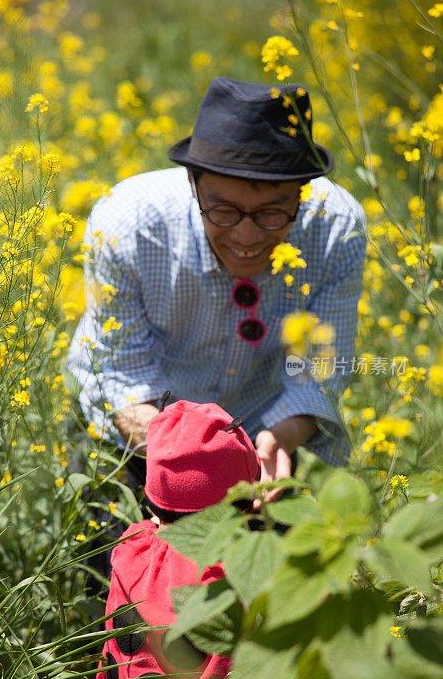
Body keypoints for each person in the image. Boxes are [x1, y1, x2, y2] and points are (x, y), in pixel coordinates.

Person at [67, 77, 367, 495]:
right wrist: (198, 466)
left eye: (271, 214)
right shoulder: (127, 226)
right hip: (134, 434)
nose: (246, 238)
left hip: (259, 440)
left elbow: (317, 371)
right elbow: (123, 377)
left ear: (302, 193)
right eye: (224, 210)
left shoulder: (337, 230)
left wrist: (279, 440)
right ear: (193, 182)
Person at [91, 398, 260, 679]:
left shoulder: (128, 554)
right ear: (243, 507)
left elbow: (109, 672)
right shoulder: (241, 569)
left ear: (153, 502)